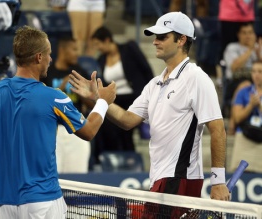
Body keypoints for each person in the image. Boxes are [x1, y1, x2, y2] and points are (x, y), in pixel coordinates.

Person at [70, 12, 230, 216]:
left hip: (179, 180)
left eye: (162, 37)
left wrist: (218, 181)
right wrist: (98, 99)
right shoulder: (154, 84)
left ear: (181, 40)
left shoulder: (197, 78)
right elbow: (127, 120)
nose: (154, 42)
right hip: (159, 180)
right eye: (155, 37)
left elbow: (218, 130)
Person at [0, 25, 116, 218]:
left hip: (3, 206)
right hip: (43, 204)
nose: (51, 59)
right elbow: (89, 131)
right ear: (39, 57)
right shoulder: (54, 97)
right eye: (49, 54)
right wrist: (103, 102)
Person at [90, 26, 154, 162]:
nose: (97, 48)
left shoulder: (129, 48)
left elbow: (146, 70)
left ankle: (128, 159)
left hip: (135, 97)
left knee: (122, 128)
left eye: (98, 44)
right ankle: (109, 160)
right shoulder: (101, 60)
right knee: (103, 123)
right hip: (116, 100)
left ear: (107, 40)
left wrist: (153, 95)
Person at [40, 35, 91, 173]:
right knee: (53, 176)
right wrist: (62, 86)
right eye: (74, 49)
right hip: (53, 130)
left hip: (76, 129)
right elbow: (41, 102)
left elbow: (92, 103)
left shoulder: (80, 72)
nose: (77, 54)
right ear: (63, 50)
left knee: (78, 179)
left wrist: (83, 93)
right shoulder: (47, 72)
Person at [223, 22, 262, 134]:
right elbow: (234, 67)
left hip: (257, 81)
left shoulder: (258, 48)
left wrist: (258, 53)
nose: (247, 36)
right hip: (236, 81)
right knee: (245, 85)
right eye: (244, 33)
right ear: (238, 34)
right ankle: (232, 125)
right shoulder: (232, 47)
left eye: (250, 32)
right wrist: (249, 50)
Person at [230, 60, 262, 173]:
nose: (256, 74)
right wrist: (250, 106)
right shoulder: (243, 92)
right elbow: (237, 117)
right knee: (238, 177)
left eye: (260, 71)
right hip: (244, 138)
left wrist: (260, 106)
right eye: (254, 71)